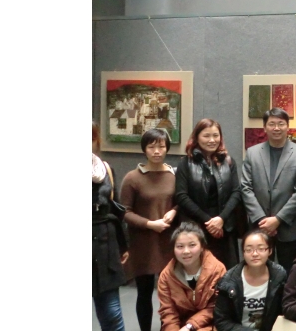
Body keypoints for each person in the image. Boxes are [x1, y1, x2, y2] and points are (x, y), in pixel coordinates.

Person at [120, 128, 178, 331]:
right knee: (144, 292)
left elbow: (181, 201)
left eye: (161, 146)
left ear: (167, 148)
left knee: (168, 292)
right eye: (151, 147)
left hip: (168, 242)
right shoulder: (132, 178)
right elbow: (125, 212)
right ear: (144, 149)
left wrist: (174, 211)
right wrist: (149, 224)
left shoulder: (173, 175)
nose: (157, 151)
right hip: (143, 243)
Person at [242, 108, 296, 272]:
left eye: (281, 124)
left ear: (288, 126)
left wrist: (278, 220)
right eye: (272, 124)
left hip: (288, 228)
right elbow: (245, 187)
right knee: (258, 272)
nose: (276, 128)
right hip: (259, 226)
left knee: (290, 273)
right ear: (264, 127)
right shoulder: (252, 153)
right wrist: (262, 220)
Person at [175, 119, 243, 269]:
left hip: (225, 226)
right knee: (200, 271)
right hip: (197, 227)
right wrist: (209, 221)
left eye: (215, 135)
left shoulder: (228, 162)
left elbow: (236, 192)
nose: (212, 140)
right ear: (197, 137)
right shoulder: (185, 163)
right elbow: (181, 196)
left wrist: (221, 219)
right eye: (206, 136)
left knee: (227, 271)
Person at [92, 121, 129, 331]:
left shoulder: (105, 169)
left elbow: (116, 209)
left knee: (111, 312)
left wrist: (123, 245)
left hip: (106, 244)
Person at [158, 222, 227, 331]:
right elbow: (168, 312)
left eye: (192, 245)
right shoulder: (166, 276)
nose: (186, 251)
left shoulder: (217, 270)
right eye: (180, 246)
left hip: (210, 324)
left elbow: (216, 306)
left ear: (202, 247)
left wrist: (190, 326)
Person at [213, 230, 287, 331]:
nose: (255, 254)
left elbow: (284, 311)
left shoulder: (279, 275)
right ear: (243, 253)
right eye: (249, 250)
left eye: (261, 249)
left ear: (270, 251)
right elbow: (221, 321)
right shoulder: (229, 280)